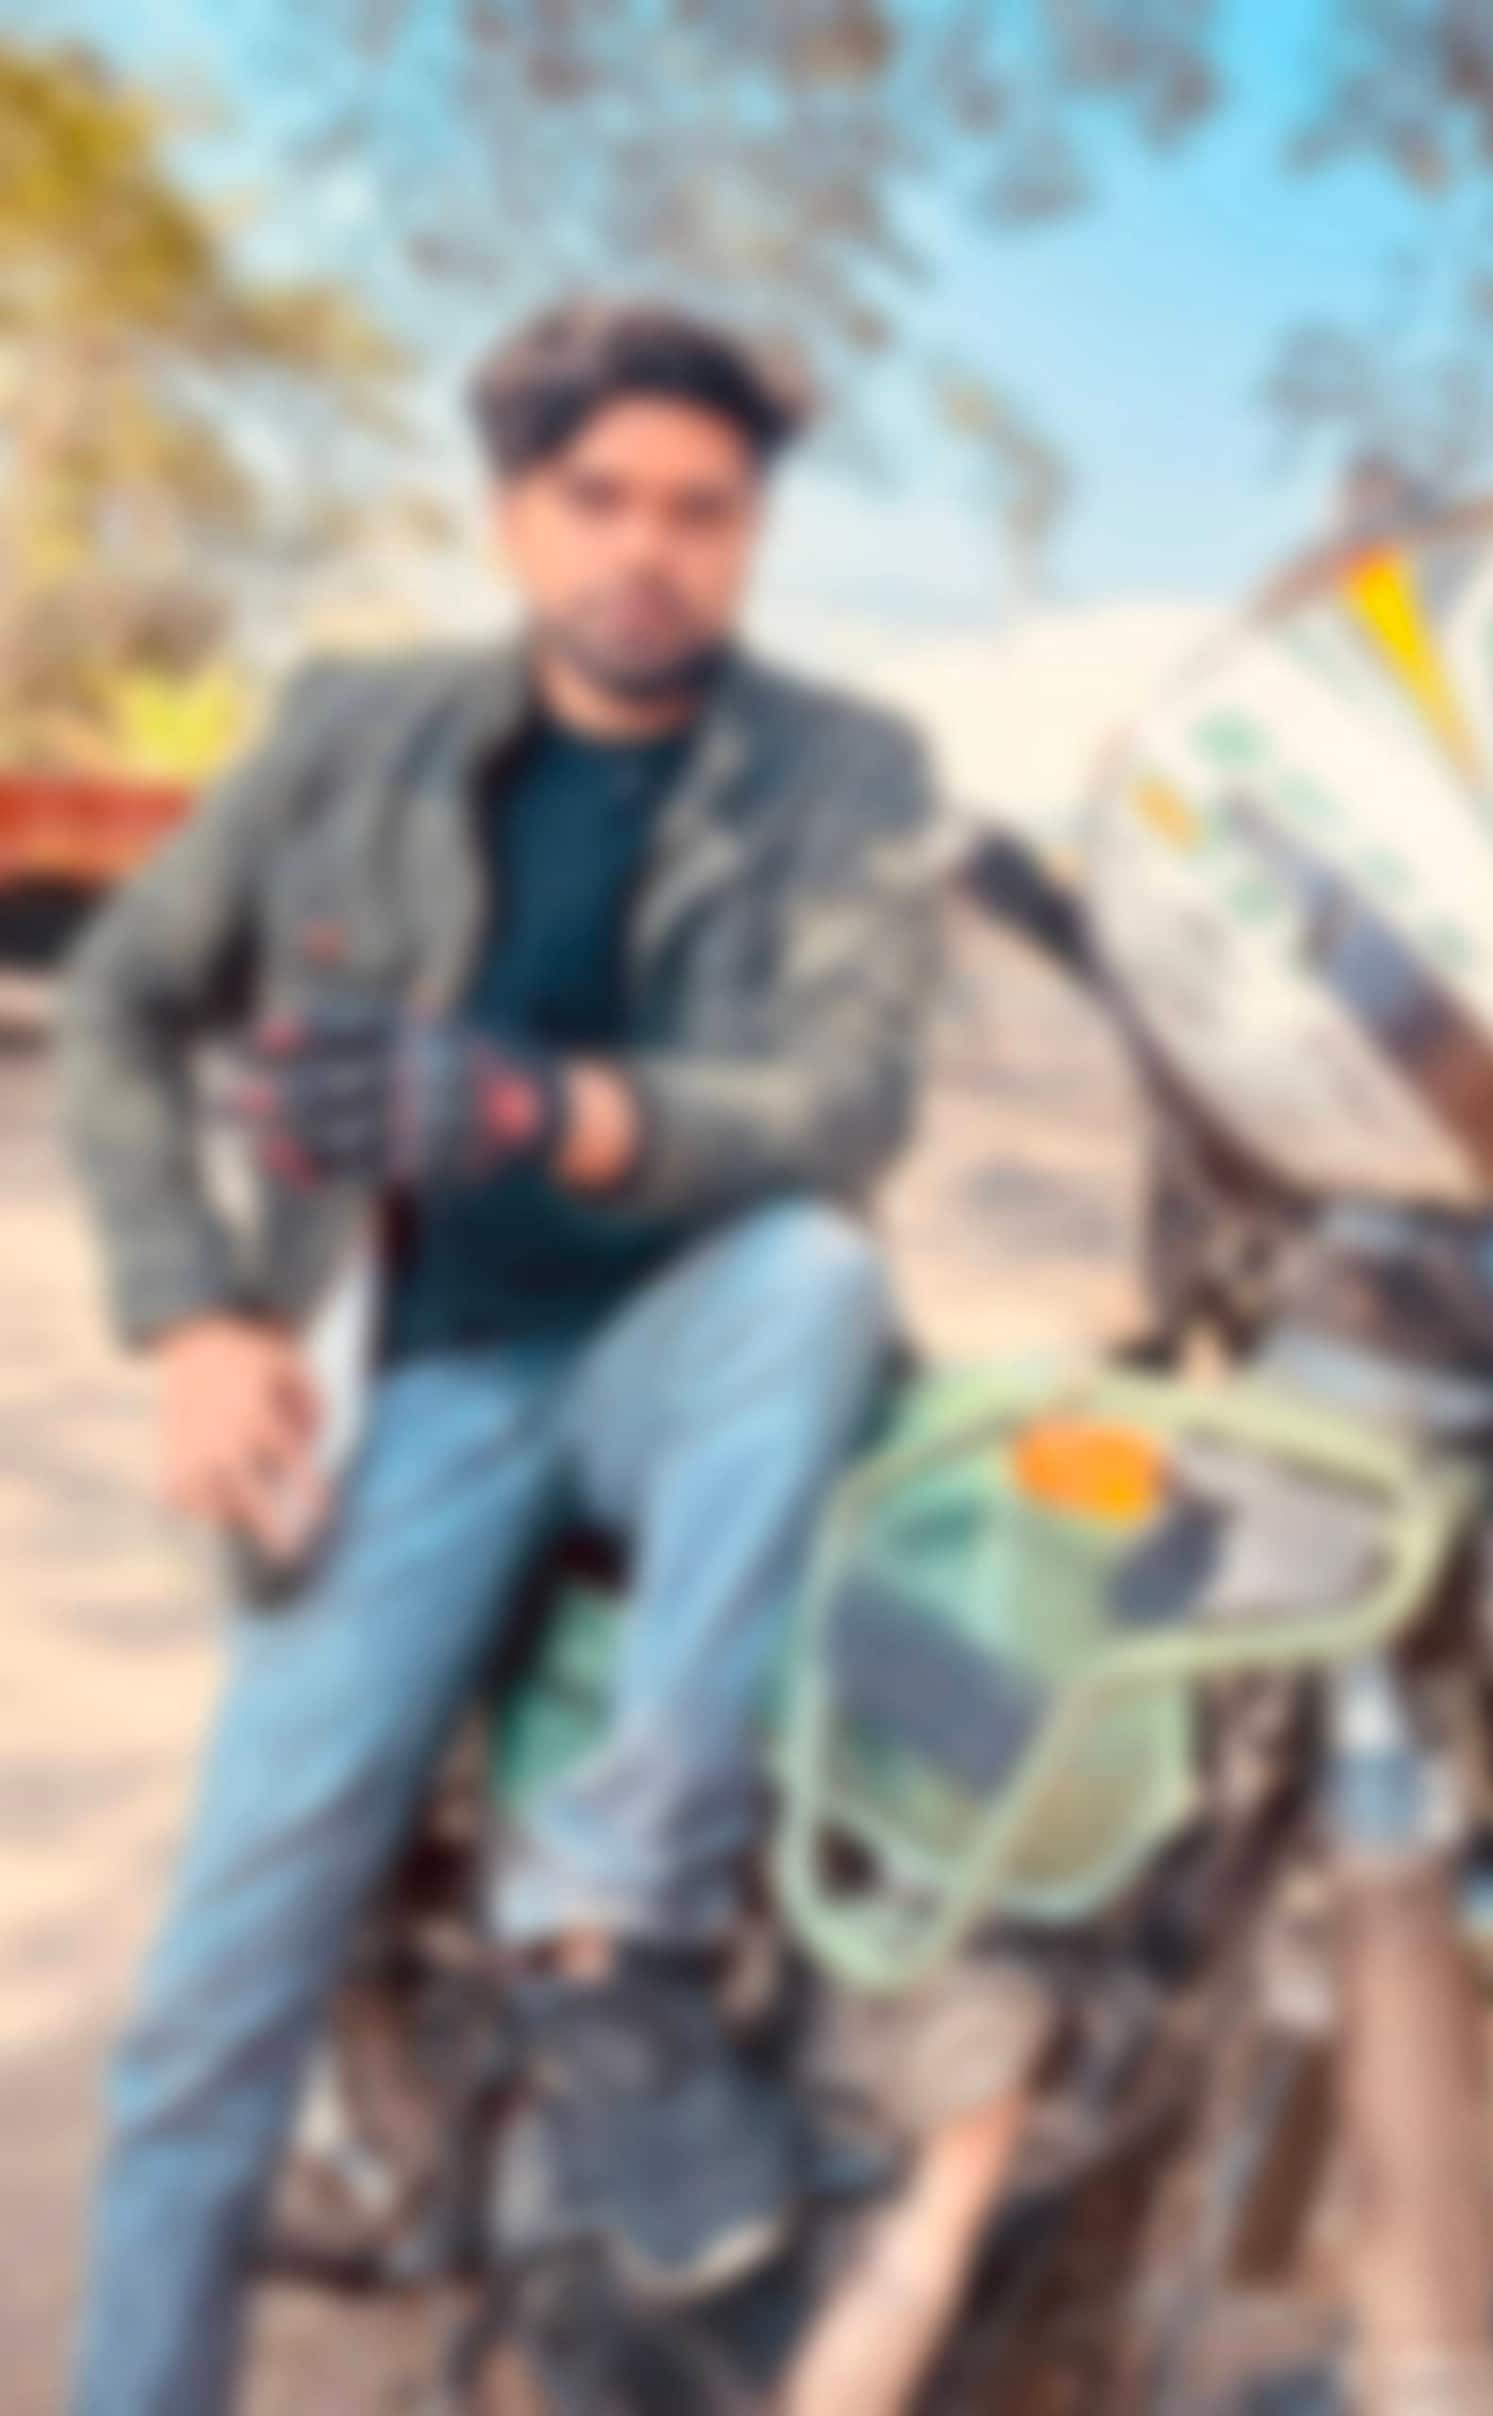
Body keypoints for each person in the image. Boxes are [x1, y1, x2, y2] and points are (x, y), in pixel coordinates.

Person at [59, 297, 941, 2414]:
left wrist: (554, 1110)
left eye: (701, 511)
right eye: (598, 497)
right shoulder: (350, 729)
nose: (647, 547)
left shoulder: (846, 771)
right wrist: (195, 1310)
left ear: (751, 534)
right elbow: (118, 1007)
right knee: (207, 2021)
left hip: (689, 1353)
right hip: (419, 1383)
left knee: (819, 1269)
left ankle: (617, 1927)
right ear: (512, 513)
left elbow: (848, 1100)